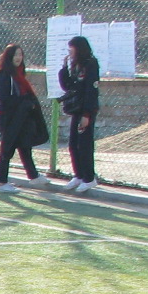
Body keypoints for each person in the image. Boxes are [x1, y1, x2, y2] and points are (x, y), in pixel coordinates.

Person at [0, 43, 44, 190]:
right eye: (15, 55)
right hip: (8, 116)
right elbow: (4, 98)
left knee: (25, 144)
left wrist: (28, 104)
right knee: (7, 147)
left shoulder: (19, 74)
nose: (18, 58)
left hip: (21, 116)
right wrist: (24, 103)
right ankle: (2, 182)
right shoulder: (4, 75)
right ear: (9, 57)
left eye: (20, 54)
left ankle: (34, 176)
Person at [58, 34, 100, 192]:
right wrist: (64, 69)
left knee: (84, 145)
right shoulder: (76, 65)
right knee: (73, 144)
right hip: (76, 109)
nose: (70, 52)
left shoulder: (91, 64)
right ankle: (79, 175)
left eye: (72, 49)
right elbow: (68, 86)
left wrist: (87, 114)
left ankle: (89, 178)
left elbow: (91, 90)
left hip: (86, 110)